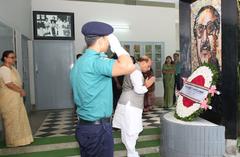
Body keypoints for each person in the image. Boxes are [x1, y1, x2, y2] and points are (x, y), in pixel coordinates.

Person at [70, 21, 135, 157]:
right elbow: (129, 66)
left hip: (84, 126)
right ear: (100, 40)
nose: (109, 44)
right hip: (98, 129)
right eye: (108, 40)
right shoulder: (97, 62)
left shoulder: (80, 62)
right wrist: (117, 47)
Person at [112, 56, 155, 157]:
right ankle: (132, 154)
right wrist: (148, 84)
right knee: (131, 130)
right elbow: (138, 89)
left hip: (126, 103)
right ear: (143, 62)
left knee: (127, 129)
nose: (148, 69)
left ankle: (131, 152)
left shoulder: (133, 68)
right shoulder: (136, 71)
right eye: (148, 66)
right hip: (130, 104)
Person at [0, 50, 33, 147]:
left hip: (16, 98)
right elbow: (8, 84)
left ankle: (22, 140)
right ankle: (13, 141)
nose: (14, 59)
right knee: (11, 120)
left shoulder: (12, 68)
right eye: (11, 57)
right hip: (8, 98)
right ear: (5, 58)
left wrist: (19, 90)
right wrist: (20, 90)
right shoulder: (3, 69)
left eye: (14, 57)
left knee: (19, 118)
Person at [193, 5, 221, 70]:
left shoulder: (224, 76)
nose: (205, 39)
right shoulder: (192, 77)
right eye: (200, 29)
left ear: (217, 33)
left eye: (210, 28)